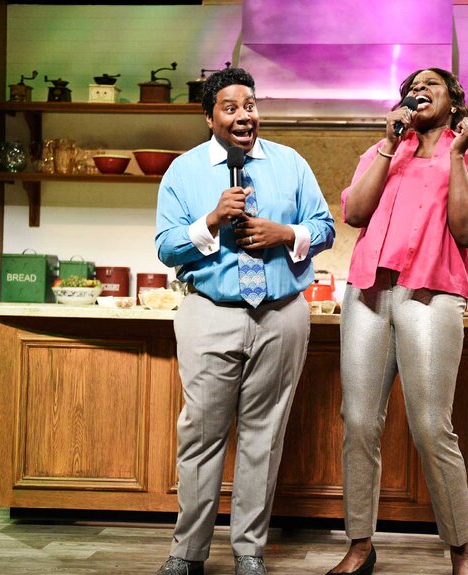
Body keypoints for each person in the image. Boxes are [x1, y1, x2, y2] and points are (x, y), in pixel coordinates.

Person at [154, 67, 335, 575]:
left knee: (264, 435)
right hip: (209, 313)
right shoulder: (183, 172)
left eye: (250, 105)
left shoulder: (290, 163)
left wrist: (285, 232)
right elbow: (166, 248)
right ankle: (187, 553)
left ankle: (249, 552)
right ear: (209, 116)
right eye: (230, 107)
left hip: (281, 315)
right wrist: (210, 220)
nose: (244, 115)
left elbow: (324, 228)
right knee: (201, 434)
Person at [326, 67, 468, 575]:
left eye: (433, 84)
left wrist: (454, 156)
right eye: (412, 86)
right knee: (358, 422)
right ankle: (360, 545)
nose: (419, 90)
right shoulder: (386, 150)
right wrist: (386, 146)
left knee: (430, 425)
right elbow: (355, 214)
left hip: (432, 293)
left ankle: (461, 549)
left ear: (454, 101)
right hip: (367, 292)